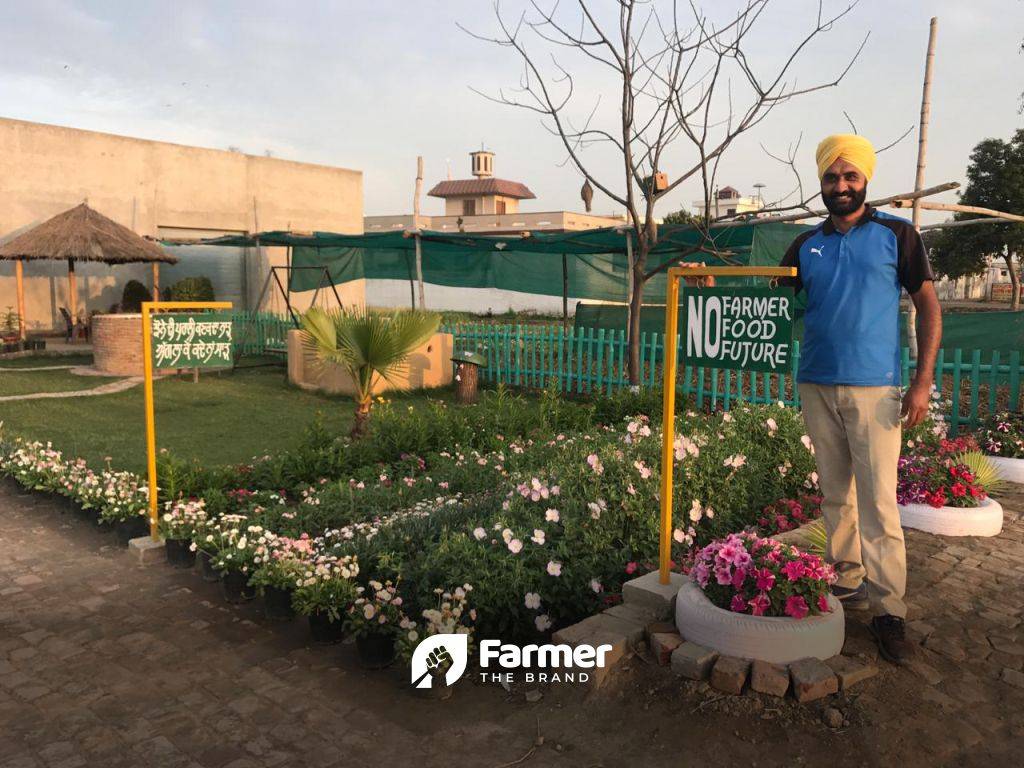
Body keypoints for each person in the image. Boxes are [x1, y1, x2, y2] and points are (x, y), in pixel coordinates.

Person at [779, 134, 942, 665]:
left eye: (850, 177)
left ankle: (889, 609)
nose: (841, 186)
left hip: (875, 388)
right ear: (822, 183)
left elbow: (929, 306)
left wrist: (921, 383)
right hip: (816, 383)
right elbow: (769, 300)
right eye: (832, 177)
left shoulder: (897, 235)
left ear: (865, 180)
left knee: (878, 501)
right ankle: (846, 580)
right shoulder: (806, 245)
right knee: (834, 494)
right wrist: (713, 286)